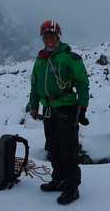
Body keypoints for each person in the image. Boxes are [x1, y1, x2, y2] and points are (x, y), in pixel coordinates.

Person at [29, 20, 89, 205]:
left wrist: (82, 106)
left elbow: (82, 82)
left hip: (67, 108)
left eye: (52, 35)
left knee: (68, 148)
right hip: (48, 109)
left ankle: (72, 187)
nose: (49, 39)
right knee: (53, 147)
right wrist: (33, 105)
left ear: (58, 36)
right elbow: (34, 84)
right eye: (45, 36)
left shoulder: (69, 57)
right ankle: (58, 180)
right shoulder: (40, 60)